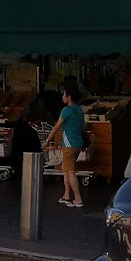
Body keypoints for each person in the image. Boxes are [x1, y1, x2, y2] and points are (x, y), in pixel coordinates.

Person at [41, 79, 86, 207]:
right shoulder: (79, 110)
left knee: (70, 171)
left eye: (64, 94)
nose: (62, 96)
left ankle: (78, 198)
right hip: (78, 144)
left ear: (69, 97)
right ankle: (66, 195)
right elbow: (83, 126)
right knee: (66, 169)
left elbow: (56, 128)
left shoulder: (66, 110)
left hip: (69, 145)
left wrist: (47, 141)